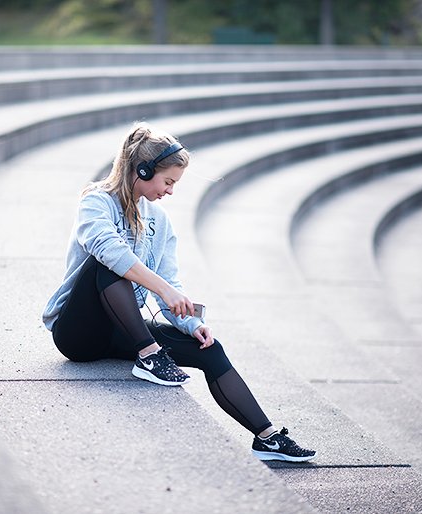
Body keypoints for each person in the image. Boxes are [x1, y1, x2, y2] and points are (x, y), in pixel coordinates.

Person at [42, 122, 315, 463]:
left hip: (122, 329)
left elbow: (170, 281)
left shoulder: (159, 221)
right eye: (168, 181)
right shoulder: (96, 202)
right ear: (141, 170)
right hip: (77, 333)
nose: (170, 191)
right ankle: (150, 355)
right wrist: (163, 289)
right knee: (107, 262)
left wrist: (191, 324)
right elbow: (108, 250)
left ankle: (267, 438)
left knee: (210, 349)